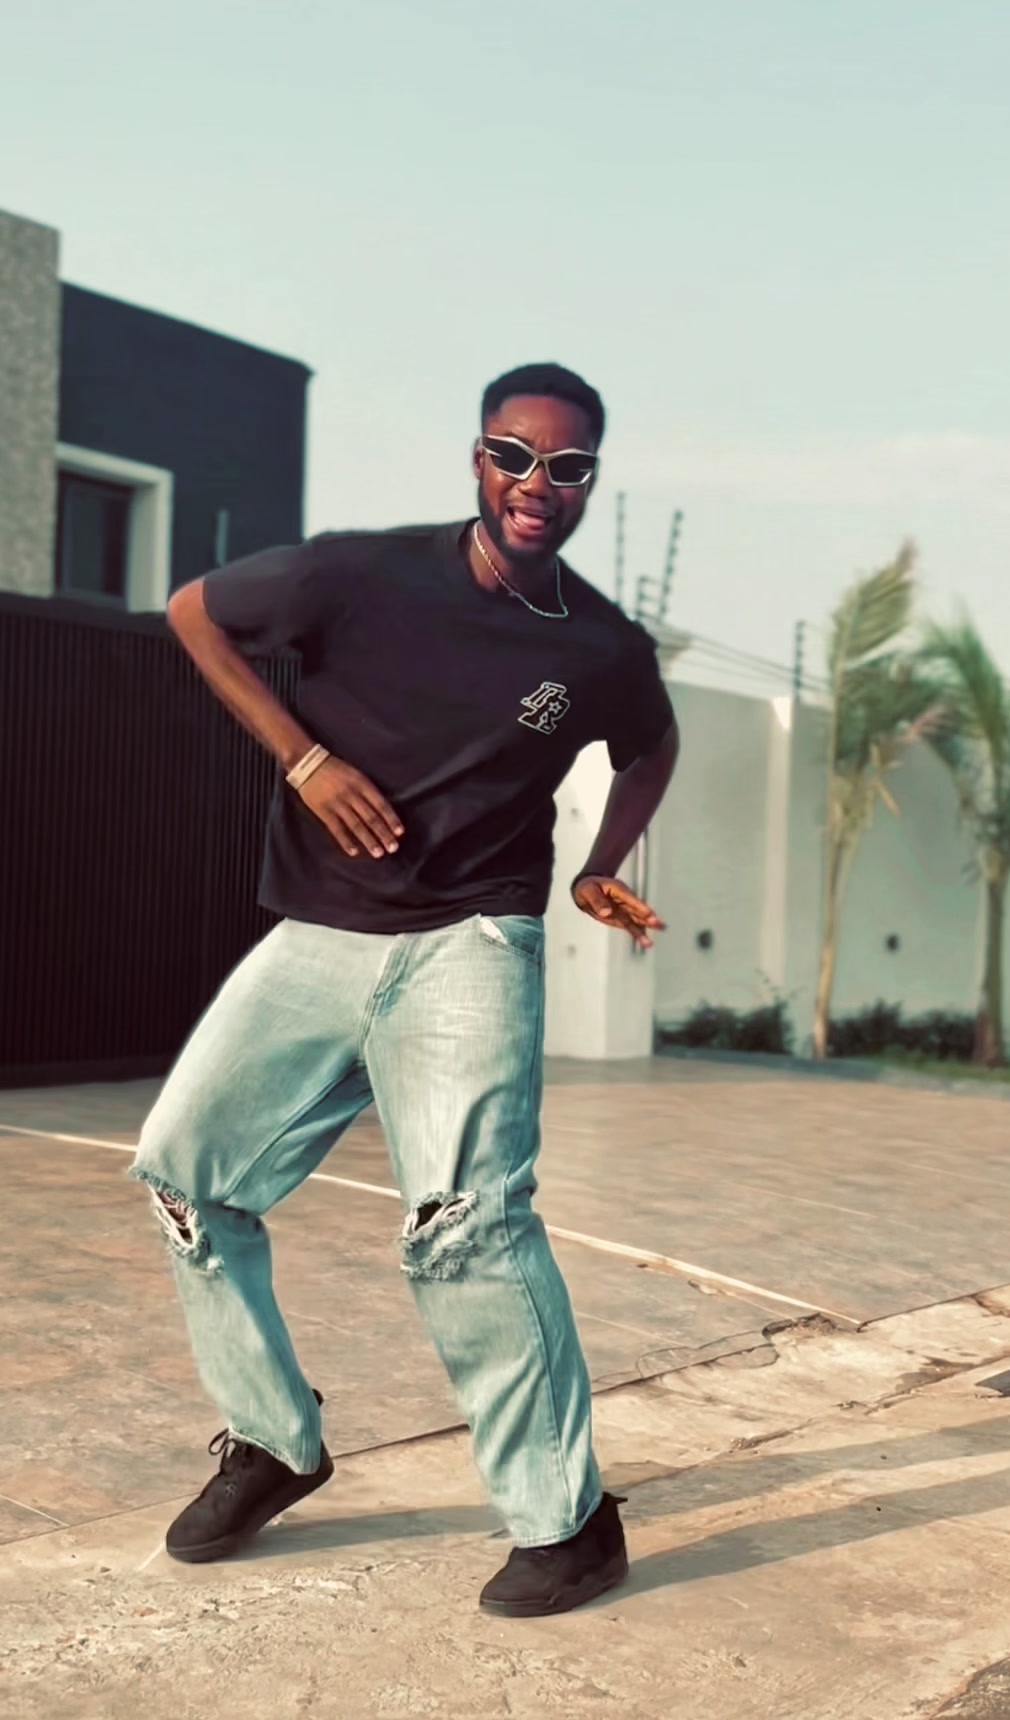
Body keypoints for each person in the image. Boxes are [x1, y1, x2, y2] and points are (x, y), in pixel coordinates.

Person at [132, 361, 679, 1617]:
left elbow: (650, 746)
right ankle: (274, 1443)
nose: (539, 484)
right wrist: (304, 759)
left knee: (466, 1226)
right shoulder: (358, 574)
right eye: (515, 455)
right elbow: (194, 612)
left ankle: (568, 1523)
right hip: (322, 930)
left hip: (473, 940)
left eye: (569, 466)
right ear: (479, 458)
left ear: (591, 480)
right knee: (186, 1177)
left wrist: (600, 863)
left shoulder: (600, 646)